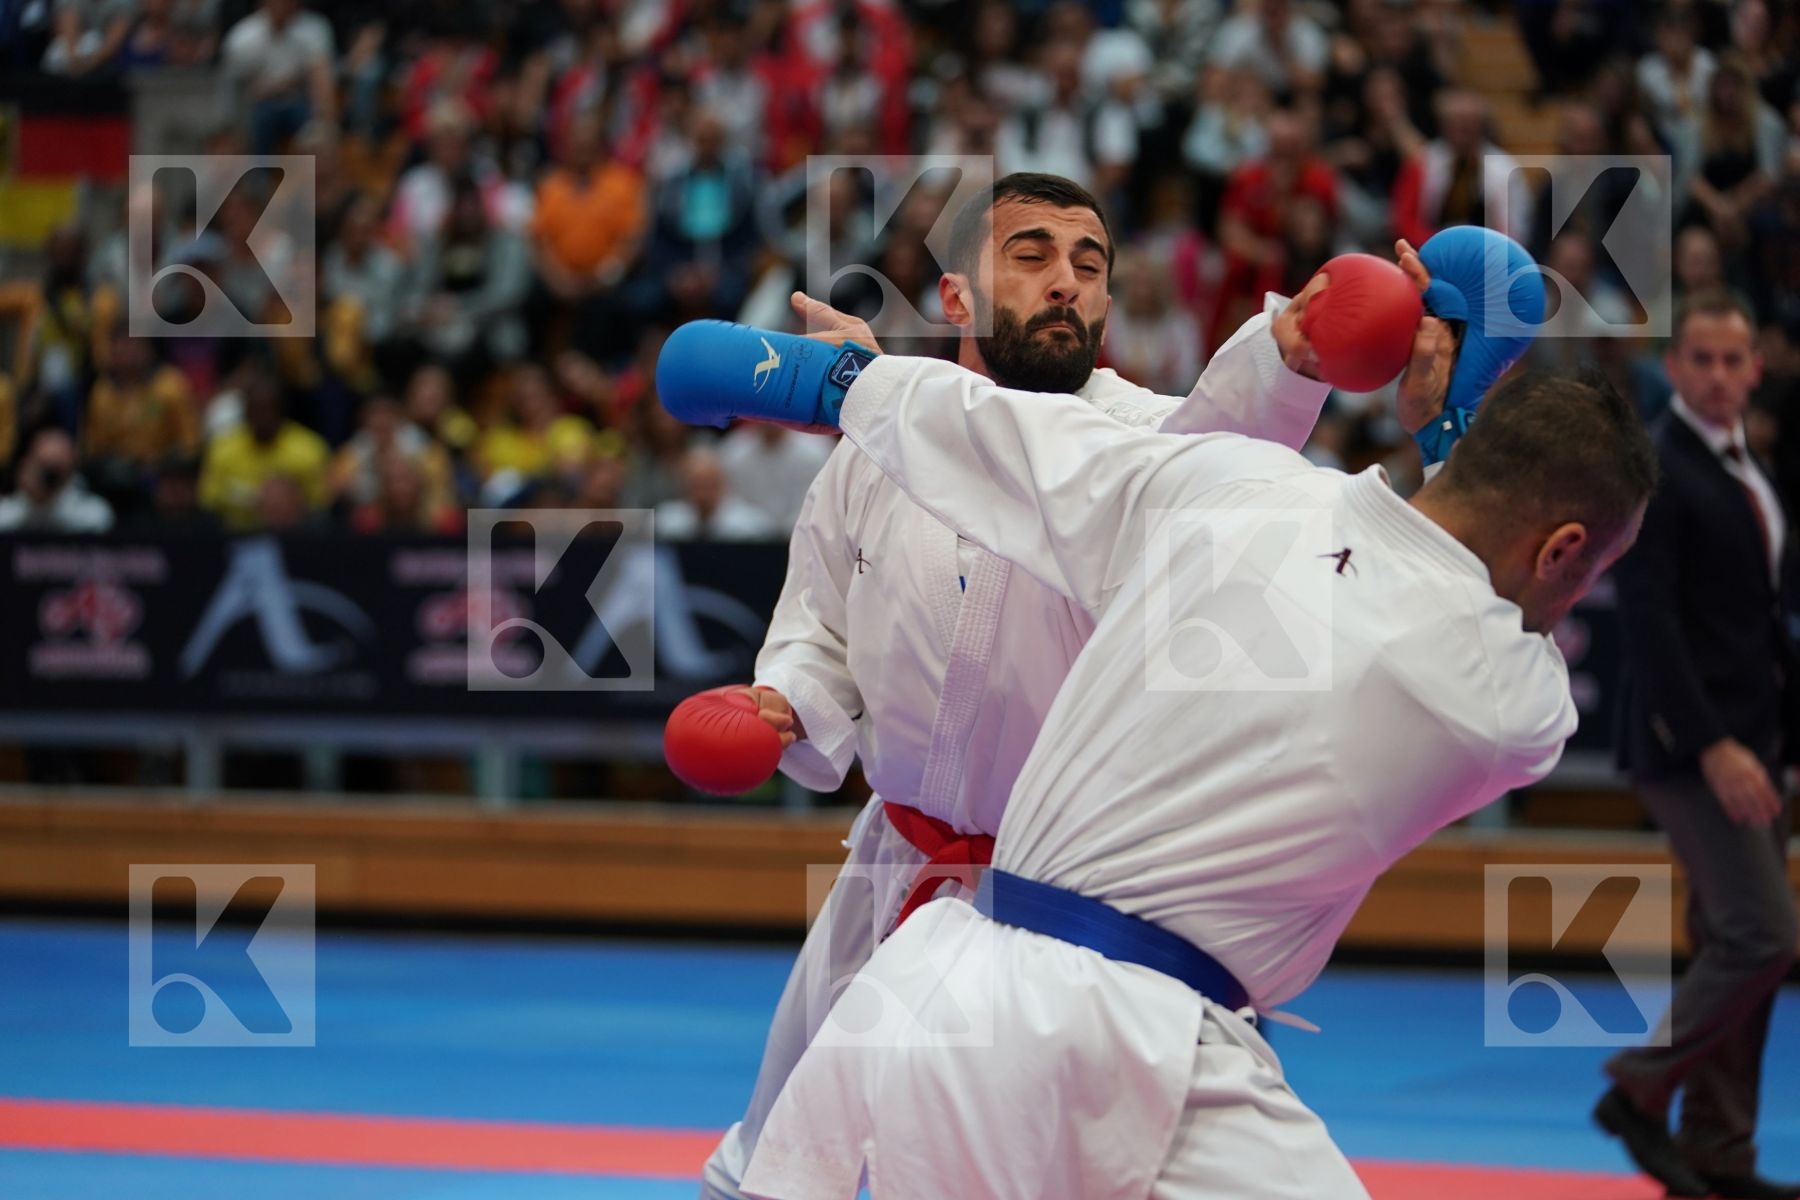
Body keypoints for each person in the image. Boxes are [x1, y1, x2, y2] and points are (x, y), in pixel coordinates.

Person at [734, 351, 1655, 1200]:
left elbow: (1007, 436)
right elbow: (1456, 598)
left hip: (954, 980)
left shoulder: (1231, 480)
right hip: (1128, 1037)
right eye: (1589, 570)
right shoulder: (1505, 705)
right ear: (1564, 549)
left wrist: (836, 379)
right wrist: (1444, 425)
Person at [698, 171, 1346, 1200]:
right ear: (957, 298)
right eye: (1032, 256)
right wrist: (787, 701)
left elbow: (1228, 446)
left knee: (1063, 1170)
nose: (1066, 283)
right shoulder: (878, 440)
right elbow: (820, 618)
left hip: (1074, 915)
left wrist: (1284, 359)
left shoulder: (1150, 445)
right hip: (897, 868)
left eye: (1089, 266)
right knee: (780, 1158)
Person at [1596, 291, 1799, 1200]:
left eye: (1734, 360)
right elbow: (1650, 623)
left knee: (1735, 938)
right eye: (1702, 361)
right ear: (1673, 368)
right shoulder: (1661, 465)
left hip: (1759, 743)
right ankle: (1639, 1090)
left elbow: (1760, 624)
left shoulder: (1750, 466)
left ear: (1755, 367)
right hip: (1694, 749)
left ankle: (1721, 1154)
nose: (1719, 376)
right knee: (1763, 937)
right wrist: (1713, 745)